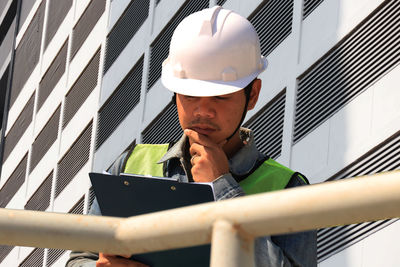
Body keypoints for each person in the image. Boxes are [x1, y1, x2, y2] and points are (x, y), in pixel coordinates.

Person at [66, 6, 316, 267]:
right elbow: (80, 258)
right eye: (190, 95)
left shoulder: (287, 189)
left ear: (252, 94)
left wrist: (222, 189)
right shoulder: (130, 164)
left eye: (220, 97)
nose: (203, 111)